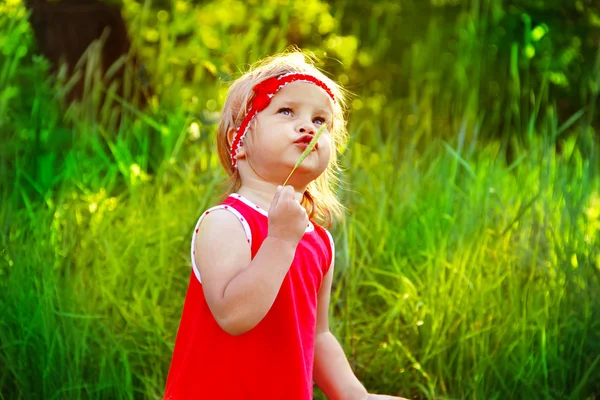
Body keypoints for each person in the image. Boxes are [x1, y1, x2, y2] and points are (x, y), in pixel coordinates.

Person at [164, 51, 407, 400]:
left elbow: (318, 335)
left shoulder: (318, 239)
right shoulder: (226, 222)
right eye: (287, 111)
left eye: (321, 120)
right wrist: (279, 241)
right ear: (240, 140)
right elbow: (233, 315)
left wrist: (356, 395)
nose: (308, 127)